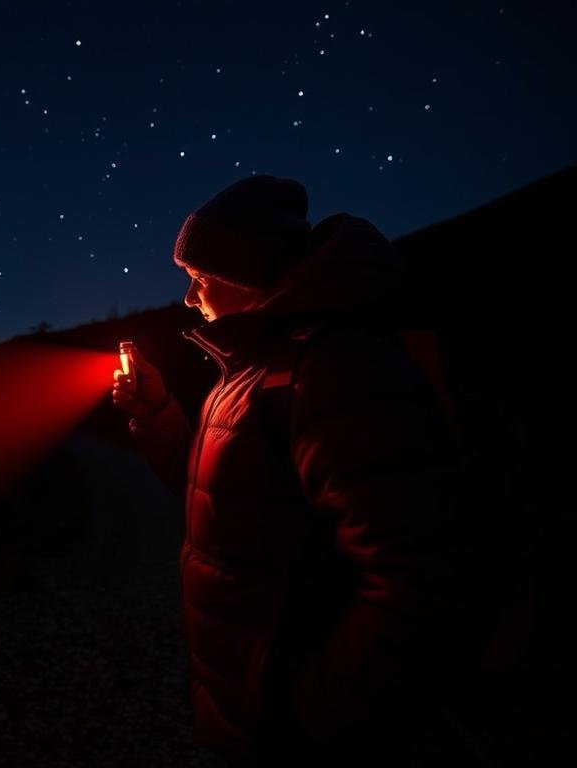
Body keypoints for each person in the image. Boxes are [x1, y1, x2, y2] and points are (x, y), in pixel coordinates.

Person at [112, 175, 488, 766]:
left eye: (198, 277)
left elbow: (419, 577)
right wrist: (157, 414)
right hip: (254, 710)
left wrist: (312, 716)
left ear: (244, 275)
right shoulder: (257, 367)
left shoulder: (338, 369)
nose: (188, 297)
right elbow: (224, 501)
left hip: (298, 729)